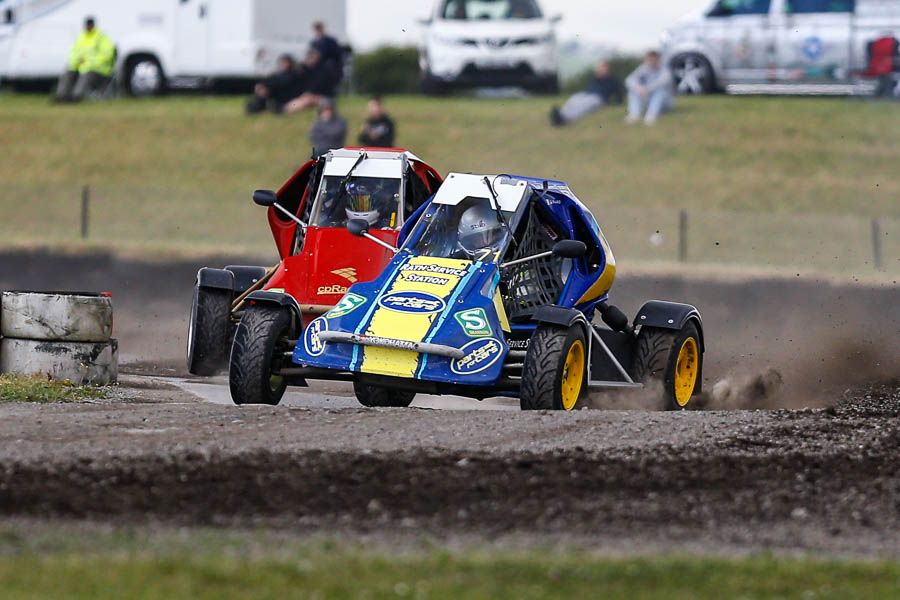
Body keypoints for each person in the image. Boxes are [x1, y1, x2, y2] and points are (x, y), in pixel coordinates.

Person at [55, 17, 115, 102]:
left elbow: (107, 55)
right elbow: (73, 53)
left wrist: (88, 61)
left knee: (87, 75)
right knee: (67, 72)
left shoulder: (102, 37)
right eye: (87, 25)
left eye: (90, 25)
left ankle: (76, 97)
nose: (88, 27)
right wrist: (77, 61)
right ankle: (61, 96)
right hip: (81, 68)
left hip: (99, 71)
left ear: (93, 25)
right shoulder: (81, 37)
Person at [549, 61, 623, 127]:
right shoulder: (596, 79)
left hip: (599, 98)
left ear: (607, 69)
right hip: (588, 94)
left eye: (601, 68)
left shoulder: (612, 80)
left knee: (583, 105)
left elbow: (619, 92)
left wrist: (615, 102)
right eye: (598, 68)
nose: (599, 70)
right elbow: (590, 88)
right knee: (574, 98)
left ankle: (565, 119)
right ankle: (560, 114)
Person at [624, 51, 674, 125]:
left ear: (658, 59)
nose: (652, 61)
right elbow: (629, 79)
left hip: (665, 102)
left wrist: (647, 89)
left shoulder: (665, 69)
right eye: (650, 59)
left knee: (660, 91)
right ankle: (634, 115)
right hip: (648, 99)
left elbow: (662, 82)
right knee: (634, 91)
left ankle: (651, 115)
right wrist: (638, 88)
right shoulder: (643, 68)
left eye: (654, 59)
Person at [283, 49, 338, 114]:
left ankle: (287, 110)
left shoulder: (324, 71)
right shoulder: (305, 70)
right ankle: (285, 109)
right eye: (309, 57)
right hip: (308, 97)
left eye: (312, 57)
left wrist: (312, 94)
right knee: (299, 101)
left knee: (306, 100)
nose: (310, 59)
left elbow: (324, 87)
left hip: (324, 98)